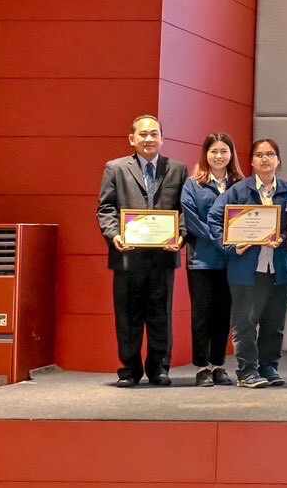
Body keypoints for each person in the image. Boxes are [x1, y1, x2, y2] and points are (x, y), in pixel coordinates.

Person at [97, 114, 187, 387]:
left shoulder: (178, 169)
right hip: (127, 255)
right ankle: (129, 370)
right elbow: (105, 208)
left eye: (154, 134)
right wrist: (114, 235)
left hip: (163, 255)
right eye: (143, 134)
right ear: (132, 138)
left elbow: (185, 210)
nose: (149, 138)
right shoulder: (115, 168)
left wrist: (180, 236)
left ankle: (159, 368)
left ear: (162, 138)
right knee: (128, 316)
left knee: (161, 316)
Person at [210, 139, 287, 388]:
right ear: (252, 161)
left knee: (275, 324)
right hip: (247, 269)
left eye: (270, 154)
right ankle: (246, 371)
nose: (265, 159)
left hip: (280, 268)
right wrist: (231, 246)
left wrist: (283, 237)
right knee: (245, 323)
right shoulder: (237, 191)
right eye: (259, 155)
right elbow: (214, 219)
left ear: (278, 160)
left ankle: (269, 367)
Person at [180, 132, 240, 386]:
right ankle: (202, 367)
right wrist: (221, 240)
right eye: (213, 151)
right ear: (205, 154)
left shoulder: (240, 184)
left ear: (231, 155)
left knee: (224, 315)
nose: (218, 156)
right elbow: (192, 221)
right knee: (202, 315)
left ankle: (218, 365)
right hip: (202, 261)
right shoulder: (192, 184)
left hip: (231, 262)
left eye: (224, 151)